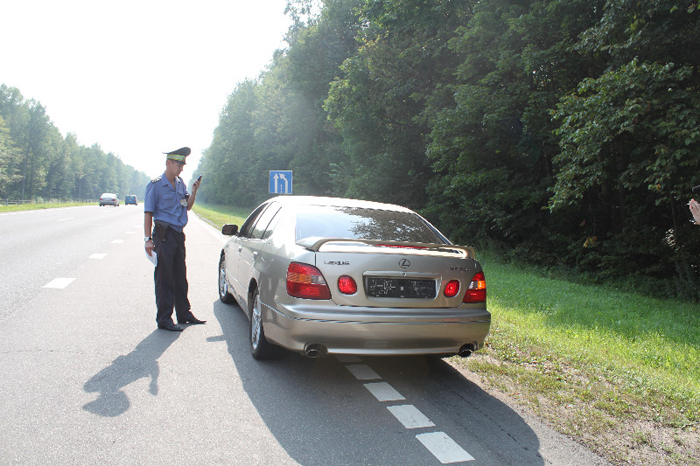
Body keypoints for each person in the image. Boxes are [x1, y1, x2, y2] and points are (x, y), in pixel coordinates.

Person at [144, 147, 205, 331]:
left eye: (182, 165)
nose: (181, 168)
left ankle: (183, 313)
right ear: (169, 163)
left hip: (178, 235)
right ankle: (164, 318)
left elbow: (187, 207)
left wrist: (194, 191)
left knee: (180, 277)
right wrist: (147, 239)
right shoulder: (155, 185)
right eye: (179, 165)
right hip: (163, 235)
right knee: (165, 277)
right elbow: (148, 213)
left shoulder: (180, 184)